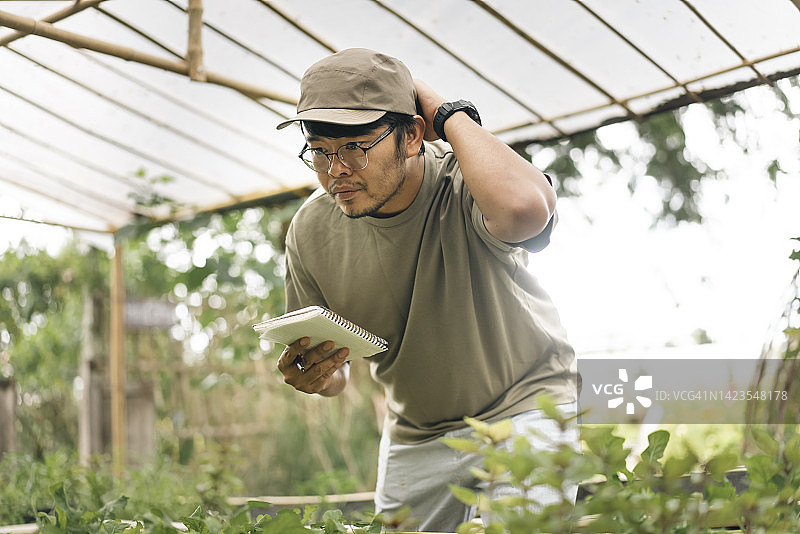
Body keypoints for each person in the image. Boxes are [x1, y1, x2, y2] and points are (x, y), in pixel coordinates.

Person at [274, 48, 579, 532]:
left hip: (526, 406)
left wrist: (448, 112)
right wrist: (318, 378)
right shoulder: (310, 231)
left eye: (355, 147)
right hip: (416, 433)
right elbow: (334, 371)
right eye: (320, 150)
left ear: (413, 134)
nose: (336, 171)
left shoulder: (466, 184)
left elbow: (524, 210)